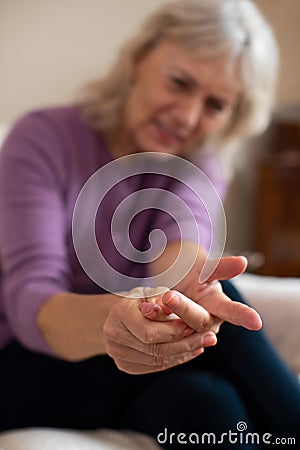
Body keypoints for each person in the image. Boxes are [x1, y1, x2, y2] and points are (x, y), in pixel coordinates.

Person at [0, 0, 299, 448]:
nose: (187, 117)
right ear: (139, 58)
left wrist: (187, 289)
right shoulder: (43, 139)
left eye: (215, 105)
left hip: (128, 369)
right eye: (179, 82)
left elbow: (180, 250)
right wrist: (117, 321)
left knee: (205, 403)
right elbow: (31, 302)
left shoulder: (199, 161)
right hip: (27, 362)